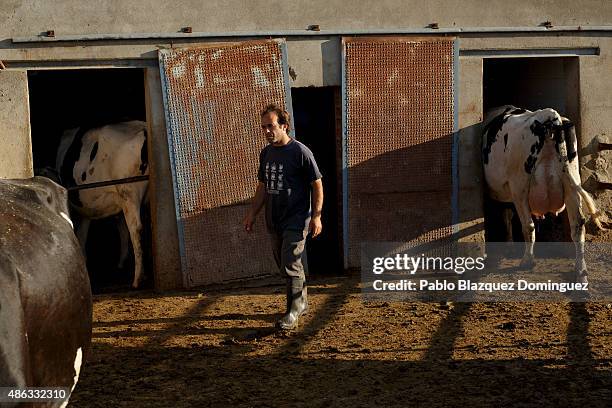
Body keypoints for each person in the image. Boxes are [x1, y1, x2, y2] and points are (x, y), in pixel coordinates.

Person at [243, 104, 323, 330]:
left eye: (271, 126)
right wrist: (252, 214)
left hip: (296, 218)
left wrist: (316, 216)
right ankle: (302, 302)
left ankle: (293, 311)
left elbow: (317, 184)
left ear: (284, 126)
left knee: (290, 263)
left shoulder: (300, 152)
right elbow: (262, 186)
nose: (267, 131)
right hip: (274, 218)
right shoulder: (266, 153)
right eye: (264, 127)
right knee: (284, 264)